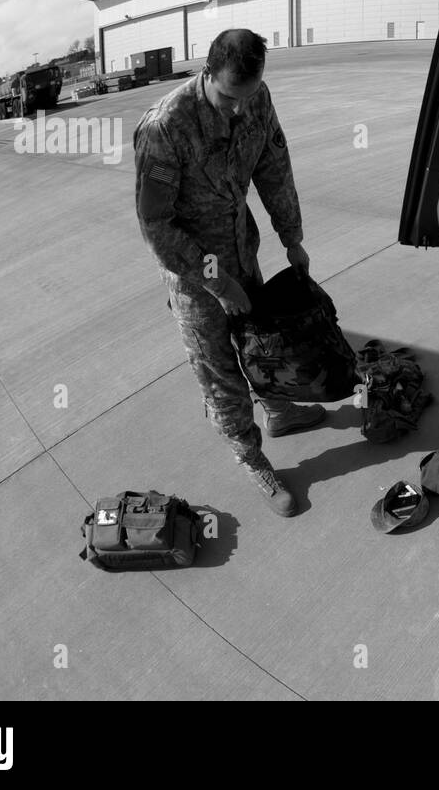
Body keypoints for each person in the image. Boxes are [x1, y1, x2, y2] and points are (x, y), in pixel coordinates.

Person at [133, 28, 322, 517]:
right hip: (195, 276)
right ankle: (252, 457)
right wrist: (218, 282)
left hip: (243, 251)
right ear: (208, 72)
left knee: (261, 343)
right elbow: (157, 224)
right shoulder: (165, 127)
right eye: (229, 97)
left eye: (249, 94)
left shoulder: (255, 99)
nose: (239, 108)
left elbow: (274, 168)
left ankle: (280, 413)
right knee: (220, 373)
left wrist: (292, 238)